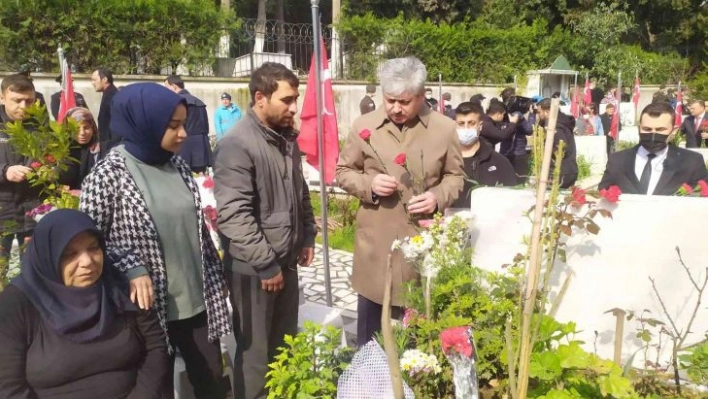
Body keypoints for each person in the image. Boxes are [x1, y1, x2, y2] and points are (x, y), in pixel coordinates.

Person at [80, 83, 232, 398]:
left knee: (212, 379)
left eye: (183, 125)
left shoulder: (176, 164)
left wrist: (216, 274)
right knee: (154, 386)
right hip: (145, 312)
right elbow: (85, 243)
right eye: (173, 126)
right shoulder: (108, 176)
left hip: (196, 301)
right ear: (144, 123)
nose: (183, 135)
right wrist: (131, 266)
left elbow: (196, 227)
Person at [336, 57, 464, 347]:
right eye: (389, 99)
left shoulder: (443, 129)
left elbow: (455, 177)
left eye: (404, 102)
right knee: (370, 340)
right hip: (375, 249)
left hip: (420, 249)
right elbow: (342, 172)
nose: (395, 108)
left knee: (417, 340)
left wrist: (436, 196)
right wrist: (369, 185)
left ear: (421, 95)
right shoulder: (364, 126)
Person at [213, 62, 316, 399]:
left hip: (283, 262)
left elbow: (300, 192)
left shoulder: (286, 140)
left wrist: (308, 235)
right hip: (254, 270)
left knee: (284, 346)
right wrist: (265, 263)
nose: (294, 107)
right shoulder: (236, 145)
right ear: (260, 98)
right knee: (256, 356)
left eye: (295, 99)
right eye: (286, 100)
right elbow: (233, 215)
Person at [0, 209, 168, 398]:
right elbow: (8, 387)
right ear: (48, 257)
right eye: (70, 254)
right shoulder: (17, 303)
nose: (87, 261)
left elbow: (155, 348)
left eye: (93, 248)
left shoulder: (120, 287)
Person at [599, 102, 708, 195]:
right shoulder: (618, 160)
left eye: (660, 129)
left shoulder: (691, 161)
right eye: (647, 129)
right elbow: (603, 194)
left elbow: (701, 199)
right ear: (639, 128)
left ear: (673, 131)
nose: (653, 134)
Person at [0, 74, 42, 264]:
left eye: (29, 101)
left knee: (32, 271)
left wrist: (46, 171)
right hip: (3, 214)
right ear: (2, 97)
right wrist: (5, 171)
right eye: (17, 101)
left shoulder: (40, 127)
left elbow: (54, 160)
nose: (24, 107)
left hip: (32, 213)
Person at [451, 102, 517, 208]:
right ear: (455, 125)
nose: (466, 128)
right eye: (461, 123)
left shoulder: (499, 162)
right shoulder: (445, 161)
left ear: (480, 126)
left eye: (471, 123)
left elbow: (511, 199)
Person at [164, 75, 213, 173]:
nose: (166, 90)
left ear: (174, 86)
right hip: (202, 146)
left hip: (184, 146)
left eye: (166, 87)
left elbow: (174, 126)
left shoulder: (176, 102)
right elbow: (206, 127)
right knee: (201, 180)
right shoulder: (199, 102)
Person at [58, 107, 109, 189]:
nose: (82, 133)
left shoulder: (103, 149)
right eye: (77, 128)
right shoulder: (61, 151)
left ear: (93, 128)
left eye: (86, 128)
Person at [536, 98, 578, 188]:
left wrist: (547, 150)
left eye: (539, 112)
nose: (538, 115)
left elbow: (562, 147)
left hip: (560, 172)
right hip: (567, 169)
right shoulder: (562, 122)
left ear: (547, 112)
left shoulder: (556, 126)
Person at [91, 68, 120, 144]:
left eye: (94, 80)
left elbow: (116, 123)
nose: (92, 83)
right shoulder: (108, 94)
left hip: (112, 143)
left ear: (104, 79)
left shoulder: (113, 96)